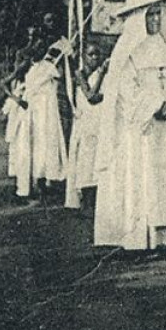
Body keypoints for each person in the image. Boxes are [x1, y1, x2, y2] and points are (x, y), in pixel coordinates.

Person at [93, 0, 166, 251]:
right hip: (140, 129)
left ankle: (163, 239)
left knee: (162, 181)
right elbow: (126, 91)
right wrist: (156, 105)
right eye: (150, 14)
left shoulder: (163, 47)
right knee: (139, 180)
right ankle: (137, 240)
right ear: (138, 18)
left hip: (164, 127)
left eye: (158, 13)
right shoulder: (126, 51)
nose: (155, 19)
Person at [64, 41, 109, 211]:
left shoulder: (103, 74)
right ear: (84, 57)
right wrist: (102, 75)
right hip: (86, 123)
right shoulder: (80, 74)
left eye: (97, 54)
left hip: (98, 122)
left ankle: (96, 203)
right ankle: (86, 203)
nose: (95, 58)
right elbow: (91, 96)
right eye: (91, 54)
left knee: (97, 160)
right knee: (85, 162)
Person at [24, 42, 69, 200]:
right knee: (35, 143)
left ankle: (47, 179)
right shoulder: (31, 68)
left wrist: (60, 59)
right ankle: (36, 180)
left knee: (47, 142)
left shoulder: (48, 66)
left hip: (46, 109)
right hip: (34, 110)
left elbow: (60, 75)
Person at [1, 75, 33, 203]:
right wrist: (16, 99)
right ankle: (22, 190)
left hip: (29, 117)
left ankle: (27, 189)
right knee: (21, 155)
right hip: (20, 122)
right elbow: (3, 84)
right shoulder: (18, 83)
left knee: (27, 155)